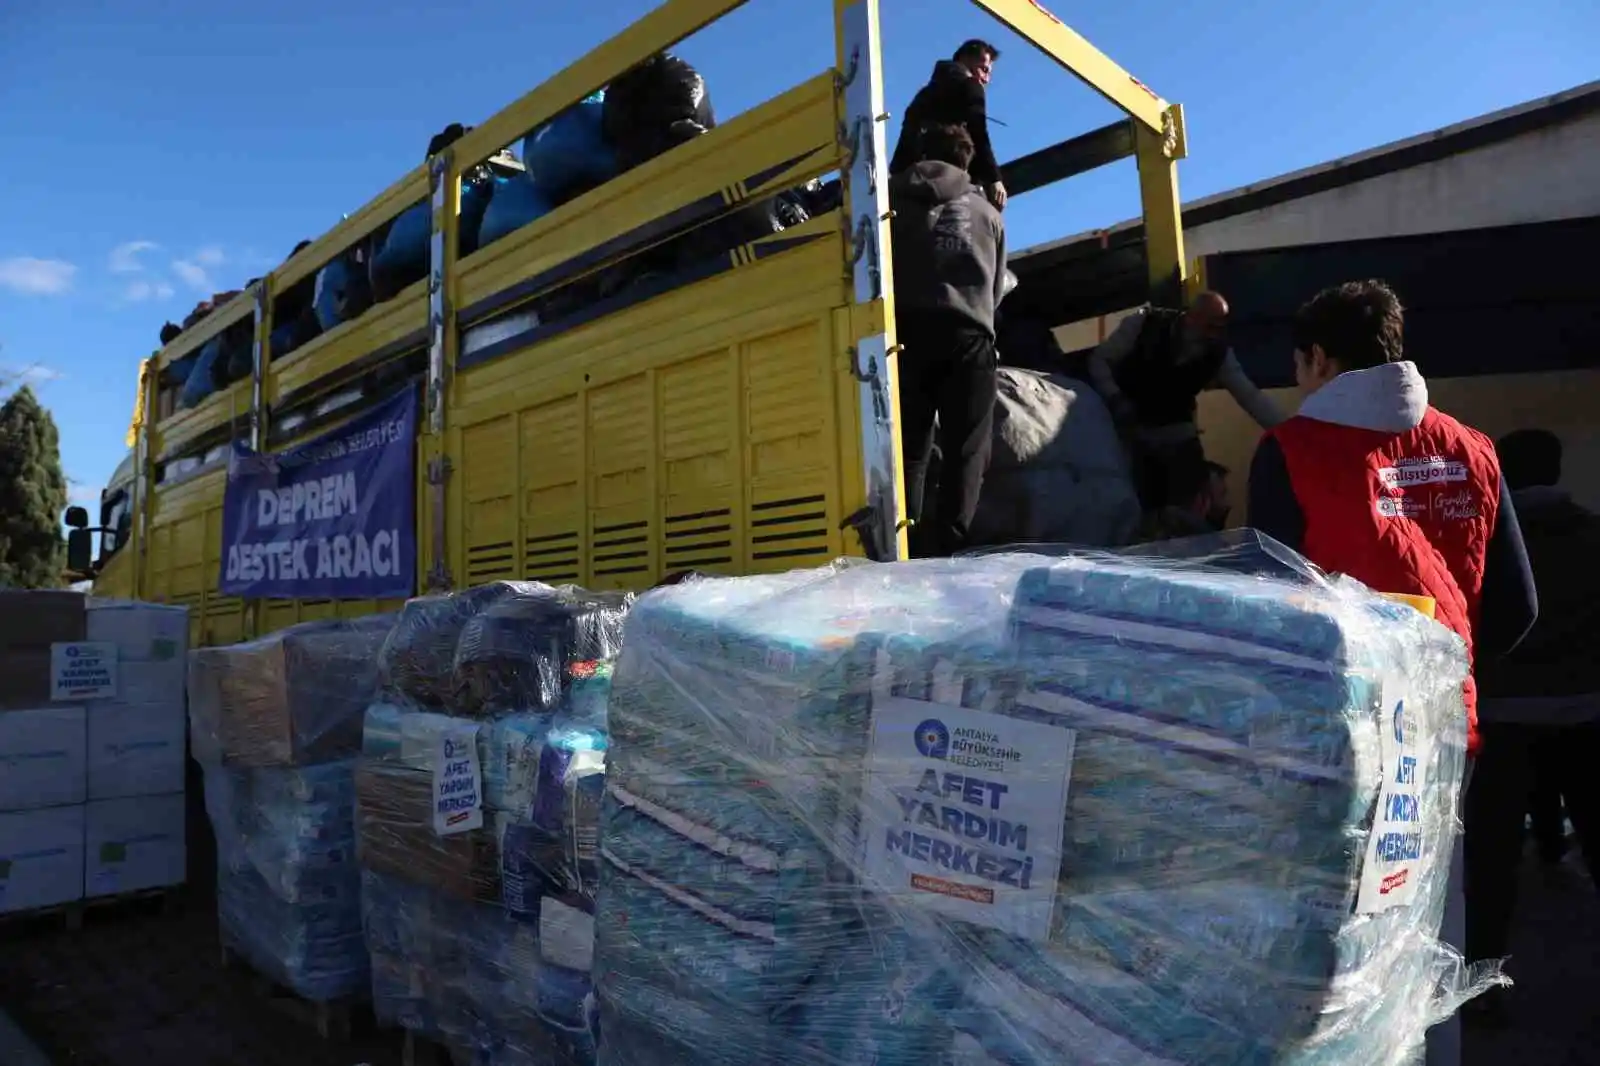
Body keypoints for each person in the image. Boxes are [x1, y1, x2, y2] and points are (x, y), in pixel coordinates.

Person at [1246, 280, 1537, 1061]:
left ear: (1317, 359)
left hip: (1334, 740)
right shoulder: (1474, 449)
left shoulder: (1290, 453)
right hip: (1448, 731)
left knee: (1334, 941)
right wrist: (1448, 674)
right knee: (1432, 926)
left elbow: (1266, 614)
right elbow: (1518, 608)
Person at [1469, 429, 1600, 1021]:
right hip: (1583, 708)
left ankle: (1484, 982)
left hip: (1505, 714)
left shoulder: (1490, 539)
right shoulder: (1594, 532)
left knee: (1492, 860)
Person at [889, 122, 1007, 558]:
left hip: (905, 335)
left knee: (910, 450)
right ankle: (948, 553)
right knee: (966, 450)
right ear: (966, 160)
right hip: (969, 335)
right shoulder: (987, 214)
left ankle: (902, 547)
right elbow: (995, 289)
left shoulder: (888, 200)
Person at [1090, 291, 1281, 510]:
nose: (1214, 335)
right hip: (1126, 428)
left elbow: (1250, 397)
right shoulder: (1143, 325)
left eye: (1219, 328)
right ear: (1191, 317)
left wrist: (1289, 433)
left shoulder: (1218, 354)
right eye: (1209, 327)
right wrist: (1114, 397)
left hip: (1175, 431)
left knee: (1196, 499)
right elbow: (1100, 361)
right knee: (1132, 497)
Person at [890, 39, 1006, 210]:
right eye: (984, 69)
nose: (986, 79)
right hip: (952, 183)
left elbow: (901, 153)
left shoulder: (923, 95)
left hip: (913, 184)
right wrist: (995, 179)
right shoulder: (970, 85)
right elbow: (979, 134)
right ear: (965, 60)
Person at [1139, 459, 1231, 541]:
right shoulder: (1210, 551)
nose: (1227, 504)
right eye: (1222, 495)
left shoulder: (1141, 531)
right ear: (1200, 501)